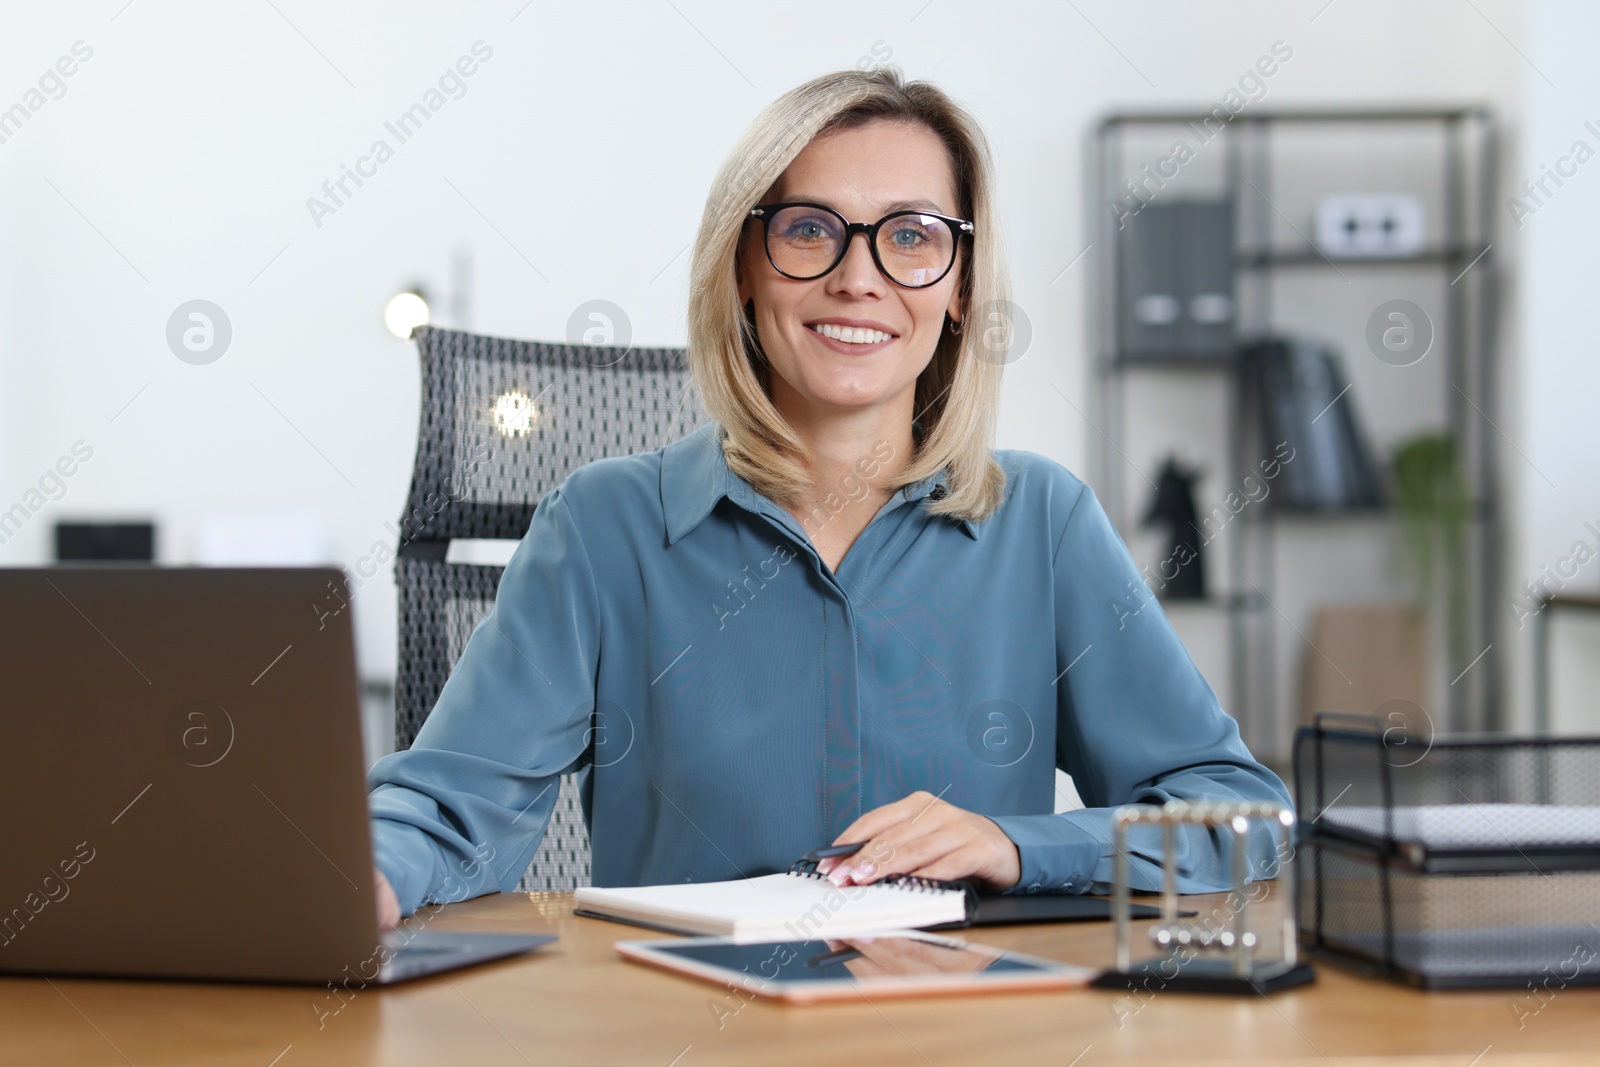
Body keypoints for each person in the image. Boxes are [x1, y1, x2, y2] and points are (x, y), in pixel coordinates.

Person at [367, 68, 1291, 927]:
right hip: (678, 1024)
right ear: (744, 266)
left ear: (961, 286)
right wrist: (357, 875)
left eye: (913, 236)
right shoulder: (604, 528)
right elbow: (449, 809)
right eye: (809, 229)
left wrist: (1018, 844)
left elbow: (1241, 817)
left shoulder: (1042, 523)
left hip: (962, 1026)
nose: (860, 277)